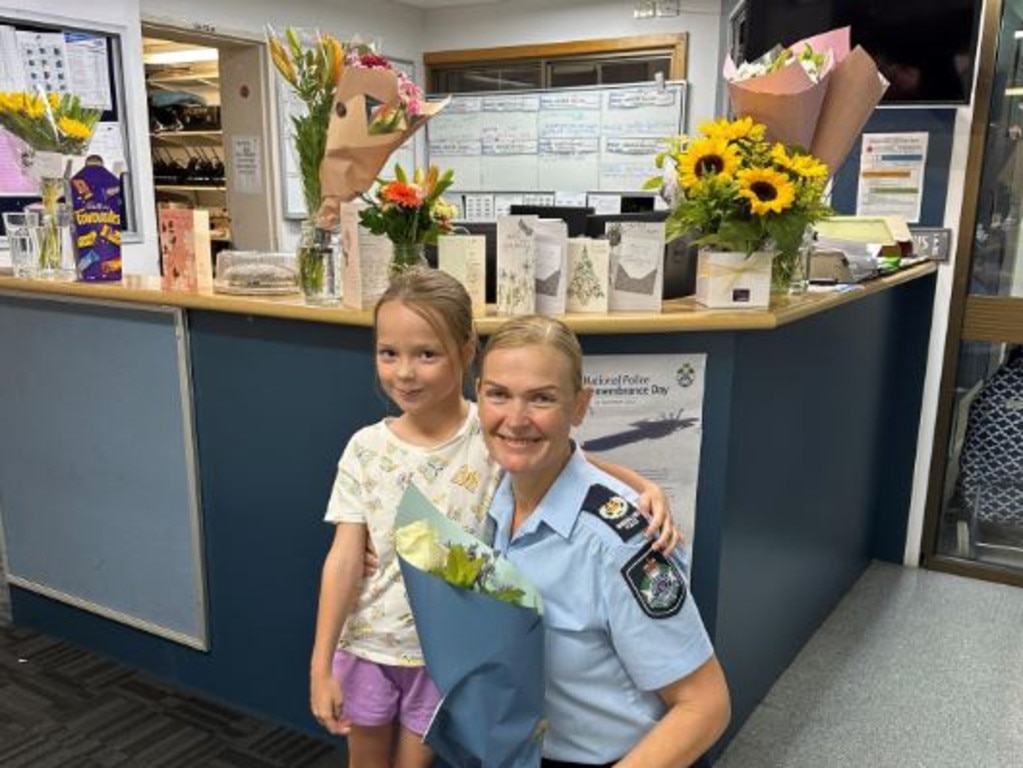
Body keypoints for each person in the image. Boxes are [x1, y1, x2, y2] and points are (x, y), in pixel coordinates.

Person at [309, 269, 681, 768]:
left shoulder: (487, 435)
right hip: (369, 641)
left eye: (426, 353)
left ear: (465, 355)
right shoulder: (366, 447)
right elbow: (343, 557)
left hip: (445, 652)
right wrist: (321, 661)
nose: (405, 372)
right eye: (388, 353)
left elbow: (567, 459)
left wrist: (642, 488)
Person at [477, 314, 731, 768]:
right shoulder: (494, 491)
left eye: (542, 398)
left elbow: (705, 705)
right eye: (498, 393)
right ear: (477, 396)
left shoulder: (620, 545)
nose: (515, 419)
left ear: (579, 406)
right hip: (514, 746)